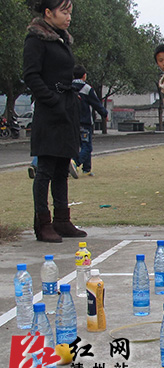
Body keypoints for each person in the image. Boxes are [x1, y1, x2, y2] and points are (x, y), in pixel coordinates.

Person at [23, 0, 86, 242]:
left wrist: (69, 102)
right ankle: (43, 223)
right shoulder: (36, 39)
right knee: (45, 168)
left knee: (62, 167)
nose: (68, 17)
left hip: (66, 108)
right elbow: (31, 75)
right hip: (49, 110)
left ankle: (62, 220)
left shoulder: (62, 39)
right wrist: (52, 100)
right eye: (64, 12)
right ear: (48, 13)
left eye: (70, 12)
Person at [71, 65, 107, 177]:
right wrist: (104, 114)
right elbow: (96, 103)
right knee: (87, 146)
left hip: (72, 122)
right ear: (84, 75)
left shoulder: (68, 87)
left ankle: (86, 169)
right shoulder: (87, 88)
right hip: (85, 122)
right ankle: (74, 163)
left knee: (76, 146)